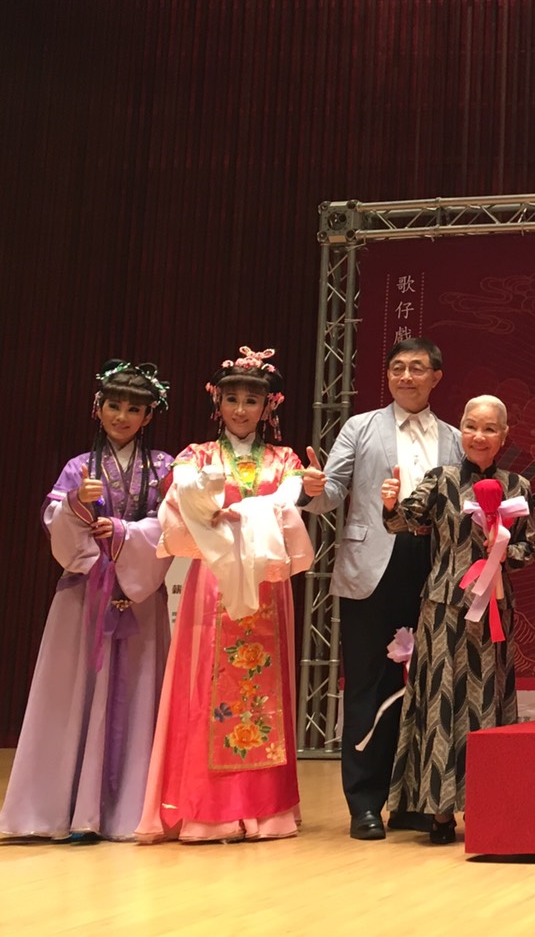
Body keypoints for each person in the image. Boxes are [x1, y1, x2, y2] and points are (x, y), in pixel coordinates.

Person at [137, 347, 313, 843]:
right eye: (232, 399)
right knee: (204, 690)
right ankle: (208, 811)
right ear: (218, 403)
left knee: (262, 693)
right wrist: (204, 506)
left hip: (265, 583)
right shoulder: (196, 455)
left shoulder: (285, 459)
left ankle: (264, 810)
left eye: (251, 401)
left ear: (267, 407)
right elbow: (178, 496)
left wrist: (263, 506)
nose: (240, 409)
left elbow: (290, 500)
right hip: (212, 583)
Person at [0, 362, 173, 842]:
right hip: (84, 593)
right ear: (99, 409)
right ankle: (62, 811)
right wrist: (76, 504)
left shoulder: (164, 467)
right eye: (114, 405)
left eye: (134, 409)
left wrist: (121, 532)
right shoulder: (79, 467)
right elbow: (55, 521)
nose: (122, 416)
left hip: (140, 594)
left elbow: (172, 526)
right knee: (70, 695)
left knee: (138, 694)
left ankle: (130, 813)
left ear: (148, 416)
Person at [300, 336, 460, 841]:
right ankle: (365, 804)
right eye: (397, 368)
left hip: (433, 566)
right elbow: (330, 493)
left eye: (417, 368)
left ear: (436, 377)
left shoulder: (455, 439)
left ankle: (414, 802)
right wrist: (311, 489)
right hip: (373, 566)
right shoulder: (360, 427)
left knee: (426, 683)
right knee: (369, 683)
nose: (406, 376)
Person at [380, 395, 535, 845]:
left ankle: (489, 805)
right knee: (441, 703)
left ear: (504, 436)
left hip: (494, 610)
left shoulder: (518, 485)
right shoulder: (441, 479)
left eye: (489, 429)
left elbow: (528, 549)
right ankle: (441, 811)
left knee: (487, 702)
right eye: (471, 426)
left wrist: (502, 550)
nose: (478, 436)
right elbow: (402, 522)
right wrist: (389, 505)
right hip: (444, 605)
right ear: (461, 430)